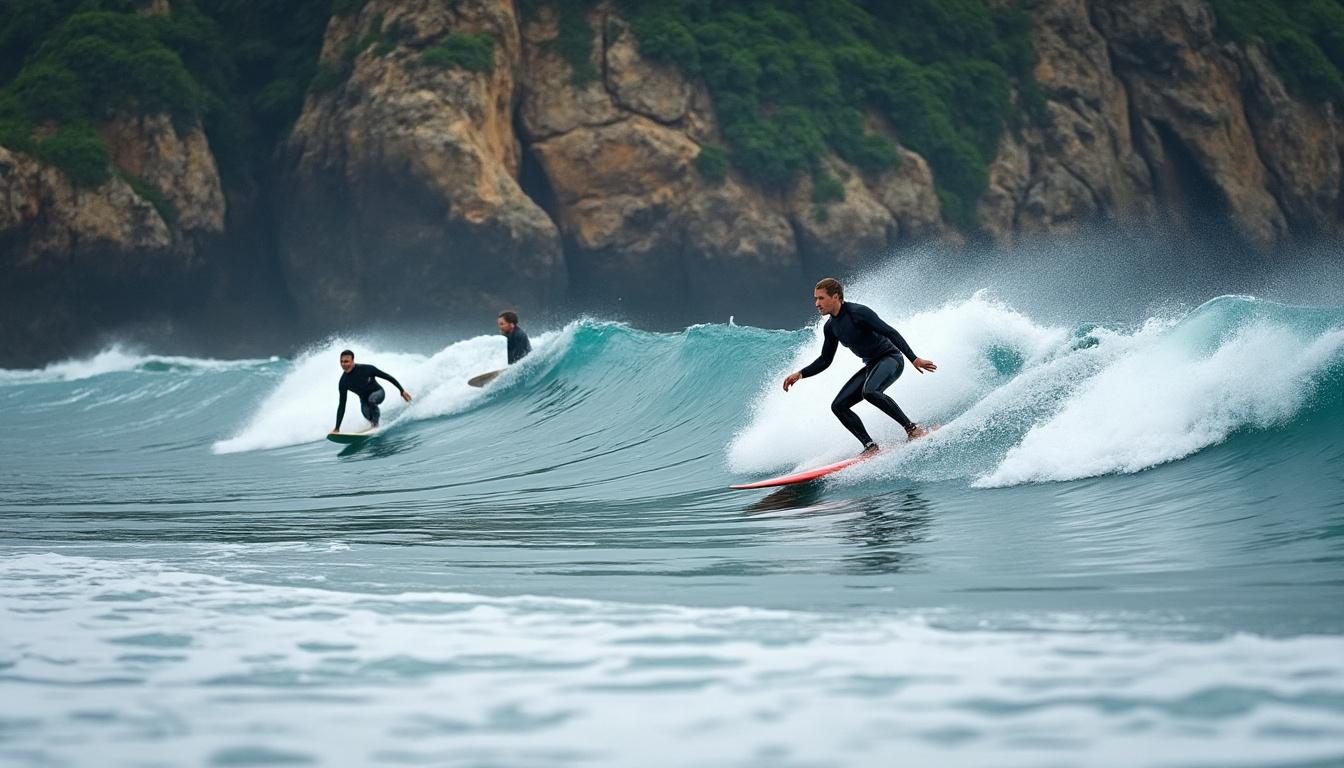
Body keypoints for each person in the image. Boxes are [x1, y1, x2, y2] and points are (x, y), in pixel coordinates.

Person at [782, 278, 937, 453]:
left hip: (891, 359)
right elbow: (825, 359)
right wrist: (800, 374)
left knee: (869, 392)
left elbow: (890, 332)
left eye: (821, 298)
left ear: (836, 297)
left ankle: (913, 429)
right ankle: (870, 446)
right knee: (838, 406)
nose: (817, 304)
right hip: (872, 365)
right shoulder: (831, 327)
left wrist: (914, 358)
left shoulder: (858, 313)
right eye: (815, 299)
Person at [332, 349, 411, 432]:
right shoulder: (343, 382)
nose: (343, 364)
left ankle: (375, 426)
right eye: (342, 362)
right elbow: (342, 405)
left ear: (352, 361)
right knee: (367, 415)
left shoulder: (367, 369)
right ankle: (373, 425)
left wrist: (401, 390)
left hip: (378, 392)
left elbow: (387, 377)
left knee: (372, 400)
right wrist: (337, 427)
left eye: (346, 361)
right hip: (364, 400)